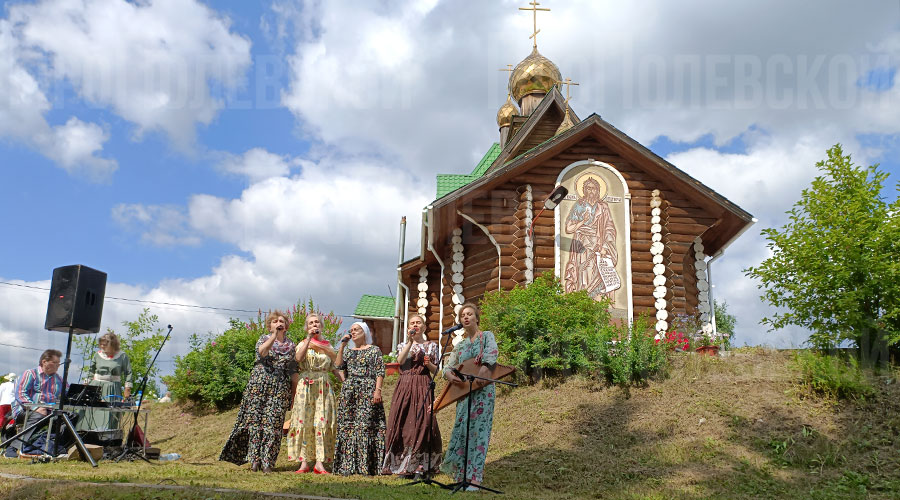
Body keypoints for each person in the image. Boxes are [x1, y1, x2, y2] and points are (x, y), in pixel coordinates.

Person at [220, 311, 296, 473]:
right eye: (274, 321)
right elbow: (262, 352)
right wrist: (274, 336)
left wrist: (293, 394)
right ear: (270, 326)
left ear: (287, 326)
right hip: (259, 384)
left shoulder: (291, 346)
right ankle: (254, 460)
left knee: (274, 424)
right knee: (256, 422)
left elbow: (292, 370)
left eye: (281, 321)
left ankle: (268, 462)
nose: (278, 323)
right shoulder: (264, 338)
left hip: (280, 386)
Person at [440, 303, 499, 489]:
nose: (465, 317)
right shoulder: (461, 345)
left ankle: (475, 479)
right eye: (462, 315)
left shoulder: (486, 337)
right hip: (464, 394)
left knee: (478, 433)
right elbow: (448, 367)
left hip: (482, 393)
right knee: (462, 431)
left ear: (476, 318)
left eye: (469, 314)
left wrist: (483, 369)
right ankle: (461, 476)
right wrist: (449, 374)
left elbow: (491, 356)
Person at [382, 314, 442, 477]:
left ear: (424, 327)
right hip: (405, 385)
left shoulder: (431, 345)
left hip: (423, 384)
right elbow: (400, 362)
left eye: (418, 322)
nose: (415, 325)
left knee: (423, 422)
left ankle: (420, 465)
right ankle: (403, 464)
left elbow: (436, 371)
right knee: (403, 422)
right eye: (412, 323)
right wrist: (410, 342)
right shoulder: (403, 344)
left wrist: (428, 363)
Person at [286, 314, 340, 474]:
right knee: (303, 421)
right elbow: (298, 358)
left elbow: (335, 366)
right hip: (306, 386)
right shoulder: (303, 343)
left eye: (317, 322)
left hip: (323, 386)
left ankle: (319, 463)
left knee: (321, 422)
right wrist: (309, 339)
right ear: (307, 327)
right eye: (311, 323)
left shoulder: (328, 346)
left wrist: (346, 382)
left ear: (321, 326)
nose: (314, 325)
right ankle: (303, 463)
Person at [332, 321, 386, 476]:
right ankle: (347, 466)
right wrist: (342, 346)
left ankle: (366, 466)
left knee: (365, 426)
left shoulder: (374, 350)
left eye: (356, 330)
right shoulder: (348, 351)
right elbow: (338, 365)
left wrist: (378, 390)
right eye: (351, 330)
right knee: (348, 426)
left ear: (365, 332)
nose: (353, 332)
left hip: (368, 390)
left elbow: (380, 371)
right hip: (350, 392)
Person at [563, 175, 620, 302]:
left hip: (598, 245)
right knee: (583, 271)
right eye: (588, 188)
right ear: (583, 190)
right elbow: (568, 228)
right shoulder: (579, 205)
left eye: (594, 188)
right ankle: (583, 299)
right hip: (582, 243)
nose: (591, 191)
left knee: (598, 273)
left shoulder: (603, 206)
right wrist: (582, 221)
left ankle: (597, 302)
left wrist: (606, 247)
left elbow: (609, 227)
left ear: (598, 190)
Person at [8, 350, 64, 455]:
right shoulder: (30, 374)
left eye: (59, 363)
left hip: (49, 411)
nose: (58, 366)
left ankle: (49, 446)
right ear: (44, 362)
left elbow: (68, 394)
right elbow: (20, 394)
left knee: (69, 416)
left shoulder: (59, 379)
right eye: (55, 362)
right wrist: (35, 408)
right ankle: (13, 448)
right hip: (24, 410)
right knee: (39, 414)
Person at [76, 332, 132, 431]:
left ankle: (106, 440)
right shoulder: (97, 355)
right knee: (90, 413)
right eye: (101, 344)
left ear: (113, 344)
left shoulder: (122, 356)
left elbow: (128, 372)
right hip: (96, 386)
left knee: (109, 415)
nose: (102, 346)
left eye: (105, 344)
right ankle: (85, 437)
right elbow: (91, 371)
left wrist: (128, 388)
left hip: (112, 388)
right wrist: (86, 384)